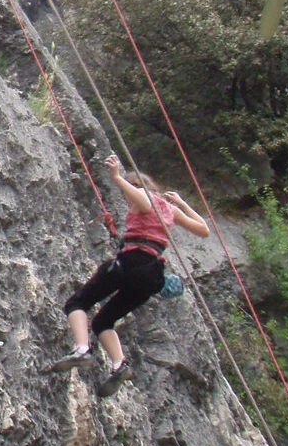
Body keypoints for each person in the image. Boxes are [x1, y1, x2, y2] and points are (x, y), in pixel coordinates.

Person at [45, 154, 210, 397]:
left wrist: (117, 178)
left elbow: (143, 201)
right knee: (103, 322)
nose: (126, 201)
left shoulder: (146, 199)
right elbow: (203, 230)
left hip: (133, 263)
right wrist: (183, 203)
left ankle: (81, 349)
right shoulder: (170, 210)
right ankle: (119, 365)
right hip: (153, 275)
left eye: (126, 196)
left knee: (77, 302)